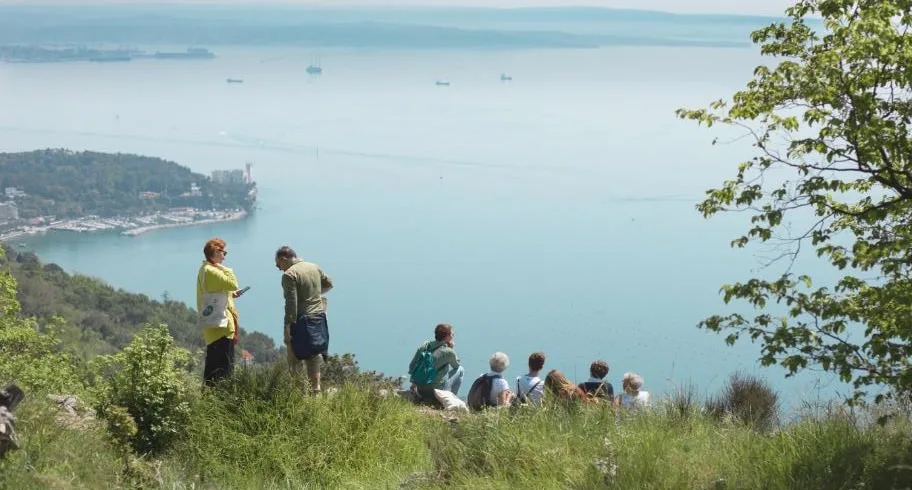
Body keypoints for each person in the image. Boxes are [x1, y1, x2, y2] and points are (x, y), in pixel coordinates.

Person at [276, 246, 333, 393]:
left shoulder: (289, 275)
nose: (279, 269)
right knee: (313, 357)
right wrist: (313, 296)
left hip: (300, 320)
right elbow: (329, 284)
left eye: (278, 265)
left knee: (294, 358)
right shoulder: (313, 267)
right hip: (318, 318)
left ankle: (298, 394)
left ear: (283, 259)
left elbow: (291, 303)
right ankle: (316, 391)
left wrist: (287, 327)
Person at [197, 238, 244, 386]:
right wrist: (226, 269)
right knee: (224, 368)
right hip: (221, 327)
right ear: (216, 252)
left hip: (216, 326)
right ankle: (221, 399)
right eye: (223, 252)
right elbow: (233, 283)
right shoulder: (212, 270)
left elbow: (215, 292)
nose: (224, 256)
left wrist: (230, 294)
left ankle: (210, 398)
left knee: (213, 364)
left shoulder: (205, 269)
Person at [407, 323, 464, 404]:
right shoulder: (448, 352)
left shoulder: (424, 346)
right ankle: (451, 398)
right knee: (461, 369)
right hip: (436, 391)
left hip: (420, 389)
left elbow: (411, 367)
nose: (453, 335)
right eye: (452, 334)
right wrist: (451, 349)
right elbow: (456, 365)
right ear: (447, 336)